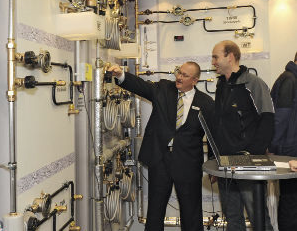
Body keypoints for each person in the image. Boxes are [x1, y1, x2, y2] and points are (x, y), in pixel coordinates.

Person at [108, 61, 215, 231]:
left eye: (185, 75)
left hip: (188, 165)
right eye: (179, 72)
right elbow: (141, 86)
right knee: (155, 213)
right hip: (160, 161)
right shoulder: (164, 88)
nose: (179, 77)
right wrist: (121, 75)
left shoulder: (206, 103)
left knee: (191, 214)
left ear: (195, 80)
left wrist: (213, 164)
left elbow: (212, 136)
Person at [211, 40, 274, 231]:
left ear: (230, 57)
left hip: (248, 163)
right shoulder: (221, 86)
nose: (213, 62)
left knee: (259, 219)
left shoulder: (254, 83)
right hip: (225, 163)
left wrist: (251, 156)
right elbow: (219, 125)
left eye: (215, 57)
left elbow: (268, 121)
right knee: (233, 219)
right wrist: (215, 160)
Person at [269, 52, 297, 231]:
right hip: (289, 152)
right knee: (291, 202)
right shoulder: (290, 79)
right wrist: (272, 147)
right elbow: (280, 117)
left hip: (289, 149)